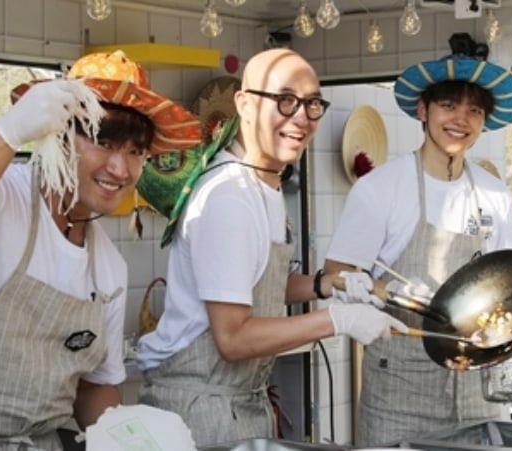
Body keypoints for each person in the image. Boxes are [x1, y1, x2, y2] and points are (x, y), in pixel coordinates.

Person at [0, 50, 201, 450]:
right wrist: (6, 134)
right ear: (57, 133)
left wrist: (129, 441)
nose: (121, 168)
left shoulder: (108, 269)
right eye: (103, 141)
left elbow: (93, 386)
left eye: (135, 151)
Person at [135, 48, 407, 447]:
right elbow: (233, 339)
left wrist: (326, 284)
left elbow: (254, 283)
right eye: (284, 100)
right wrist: (340, 319)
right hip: (199, 410)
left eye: (312, 103)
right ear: (244, 104)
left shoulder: (265, 186)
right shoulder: (230, 196)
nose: (300, 117)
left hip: (238, 403)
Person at [324, 52, 512, 446]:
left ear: (484, 122)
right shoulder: (380, 189)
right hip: (398, 399)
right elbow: (338, 274)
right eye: (448, 105)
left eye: (474, 110)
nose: (460, 120)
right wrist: (378, 290)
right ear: (422, 110)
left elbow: (510, 286)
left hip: (476, 399)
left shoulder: (495, 196)